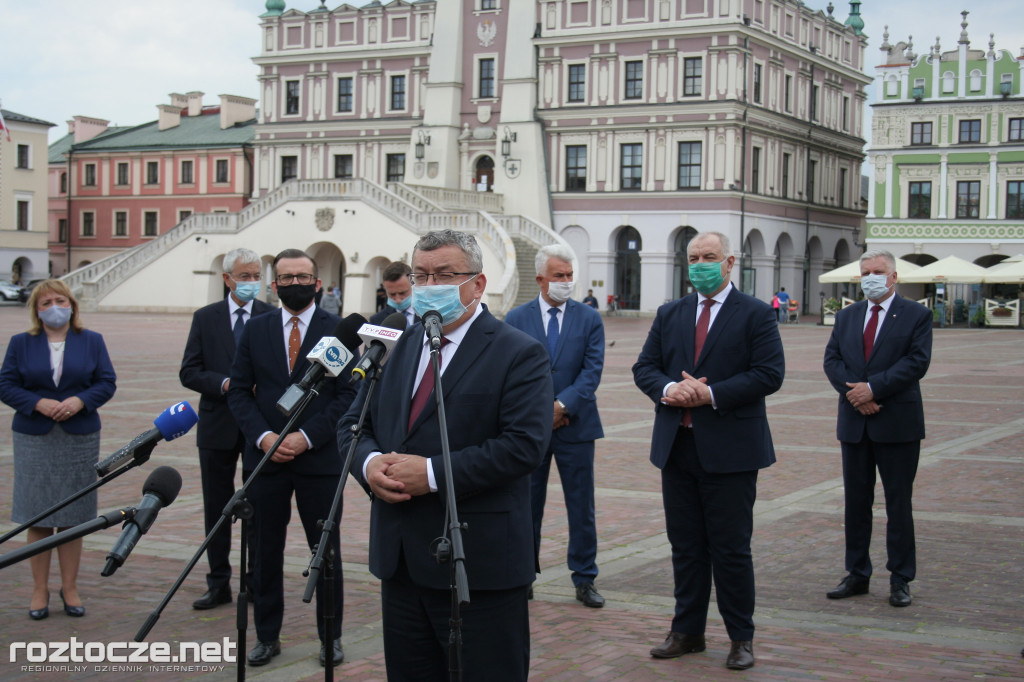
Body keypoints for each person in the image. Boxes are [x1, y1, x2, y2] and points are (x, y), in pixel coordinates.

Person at [338, 229, 552, 681]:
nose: (429, 284)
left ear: (477, 284)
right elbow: (354, 425)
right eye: (421, 274)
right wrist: (370, 464)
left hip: (478, 564)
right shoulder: (395, 347)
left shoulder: (519, 352)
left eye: (444, 274)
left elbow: (524, 445)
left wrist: (433, 473)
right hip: (400, 562)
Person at [632, 231, 784, 671]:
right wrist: (668, 388)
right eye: (694, 257)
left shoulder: (755, 314)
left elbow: (769, 374)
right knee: (685, 545)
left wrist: (710, 393)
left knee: (731, 548)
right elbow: (644, 367)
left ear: (730, 262)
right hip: (677, 446)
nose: (700, 263)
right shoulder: (670, 313)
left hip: (731, 450)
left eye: (709, 257)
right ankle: (687, 630)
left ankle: (740, 636)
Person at [227, 249, 358, 668]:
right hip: (265, 460)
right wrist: (264, 437)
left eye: (302, 277)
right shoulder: (257, 328)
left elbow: (348, 397)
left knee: (326, 551)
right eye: (285, 278)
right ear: (274, 285)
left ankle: (330, 636)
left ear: (317, 283)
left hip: (318, 461)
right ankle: (267, 635)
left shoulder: (338, 330)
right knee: (264, 551)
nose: (294, 284)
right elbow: (238, 390)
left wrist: (307, 437)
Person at [0, 280, 117, 620]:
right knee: (38, 515)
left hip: (78, 437)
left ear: (72, 305)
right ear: (37, 310)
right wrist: (37, 403)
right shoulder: (22, 343)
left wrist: (81, 400)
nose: (54, 306)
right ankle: (39, 589)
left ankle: (70, 586)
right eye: (46, 301)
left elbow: (106, 381)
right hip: (35, 437)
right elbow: (6, 384)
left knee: (73, 516)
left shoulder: (91, 341)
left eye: (60, 300)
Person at [823, 249, 932, 608]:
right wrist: (857, 394)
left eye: (878, 271)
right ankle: (857, 573)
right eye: (866, 271)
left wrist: (874, 388)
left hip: (897, 422)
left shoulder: (917, 315)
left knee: (898, 503)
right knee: (856, 502)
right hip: (855, 422)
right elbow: (832, 360)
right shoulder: (847, 316)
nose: (871, 276)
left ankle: (901, 578)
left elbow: (916, 362)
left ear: (893, 276)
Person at [505, 245, 606, 607]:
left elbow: (591, 371)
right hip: (530, 429)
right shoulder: (516, 319)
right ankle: (523, 574)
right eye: (558, 276)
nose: (565, 282)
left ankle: (585, 577)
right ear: (540, 279)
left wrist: (562, 406)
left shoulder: (589, 318)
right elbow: (510, 373)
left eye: (568, 276)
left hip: (576, 427)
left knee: (581, 506)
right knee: (526, 504)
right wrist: (539, 411)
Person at [179, 248, 274, 610]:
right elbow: (189, 371)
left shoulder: (270, 315)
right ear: (227, 279)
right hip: (217, 426)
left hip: (257, 427)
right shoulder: (206, 318)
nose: (251, 282)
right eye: (245, 276)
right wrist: (226, 384)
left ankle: (253, 581)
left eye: (256, 276)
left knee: (257, 507)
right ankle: (218, 581)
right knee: (216, 508)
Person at [369, 261, 416, 328]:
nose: (398, 300)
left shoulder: (430, 314)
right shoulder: (377, 320)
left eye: (402, 293)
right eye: (392, 294)